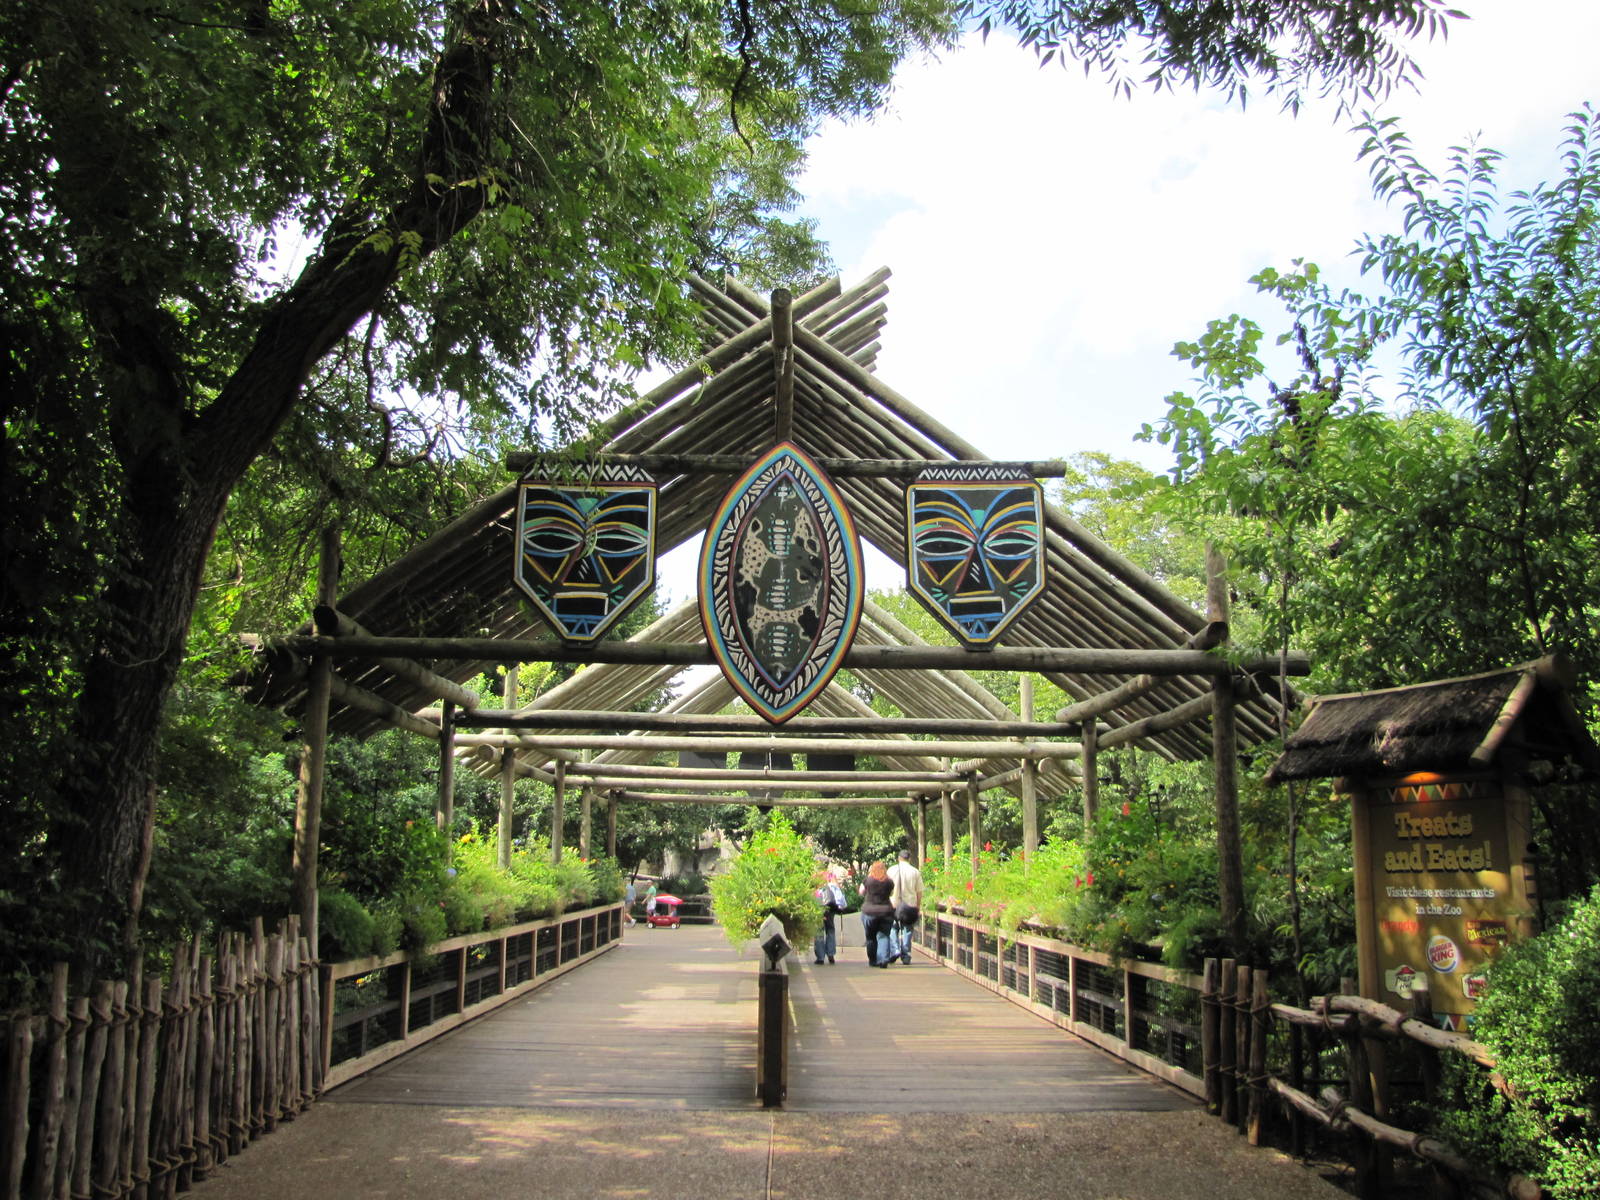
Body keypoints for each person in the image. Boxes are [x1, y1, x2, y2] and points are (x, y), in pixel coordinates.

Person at [887, 849, 924, 965]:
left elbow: (886, 887)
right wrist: (918, 906)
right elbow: (919, 892)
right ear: (909, 859)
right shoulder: (915, 872)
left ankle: (895, 949)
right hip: (909, 905)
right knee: (907, 929)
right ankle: (906, 954)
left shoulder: (891, 870)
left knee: (893, 927)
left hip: (893, 903)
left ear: (899, 858)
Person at [857, 861, 895, 967]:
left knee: (870, 937)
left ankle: (873, 960)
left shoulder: (867, 880)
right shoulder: (889, 882)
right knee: (884, 936)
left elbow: (861, 892)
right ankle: (883, 959)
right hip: (886, 912)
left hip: (869, 912)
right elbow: (891, 893)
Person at [813, 871, 847, 964]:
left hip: (818, 906)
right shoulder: (830, 875)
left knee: (819, 931)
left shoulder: (816, 875)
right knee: (830, 929)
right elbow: (837, 889)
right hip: (830, 908)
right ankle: (831, 954)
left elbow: (811, 892)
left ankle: (820, 957)